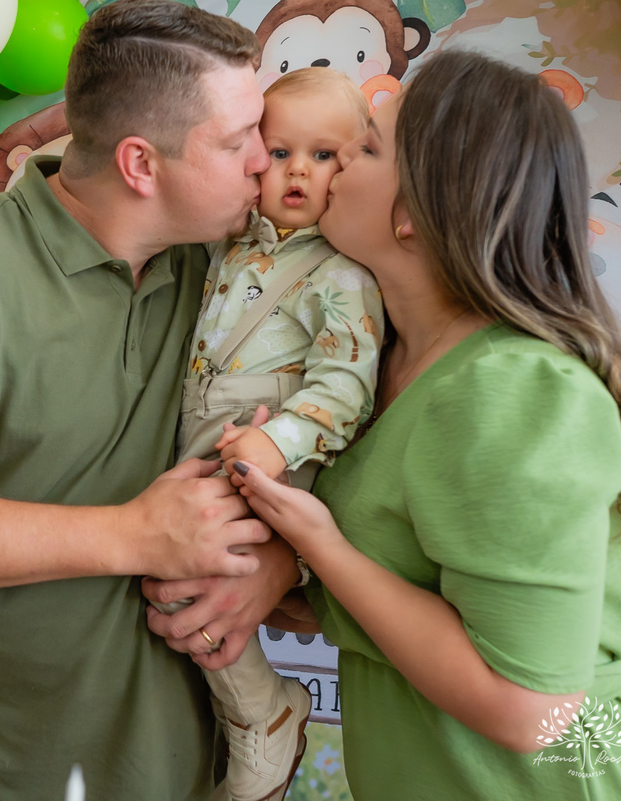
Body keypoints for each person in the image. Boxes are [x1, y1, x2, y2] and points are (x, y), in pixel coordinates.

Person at [190, 50, 621, 799]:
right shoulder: (377, 363)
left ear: (413, 214)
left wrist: (320, 546)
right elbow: (415, 595)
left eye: (362, 149)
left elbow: (537, 712)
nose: (325, 167)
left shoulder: (516, 388)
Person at [0, 2, 294, 799]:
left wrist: (275, 568)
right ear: (141, 166)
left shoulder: (228, 266)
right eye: (236, 139)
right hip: (6, 773)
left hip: (188, 768)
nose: (264, 160)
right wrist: (132, 534)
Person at [153, 67, 384, 801]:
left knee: (184, 588)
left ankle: (266, 714)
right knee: (171, 582)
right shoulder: (229, 243)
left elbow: (346, 386)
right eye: (279, 152)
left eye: (324, 156)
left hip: (270, 455)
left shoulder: (342, 274)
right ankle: (253, 711)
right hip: (209, 435)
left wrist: (276, 443)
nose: (297, 172)